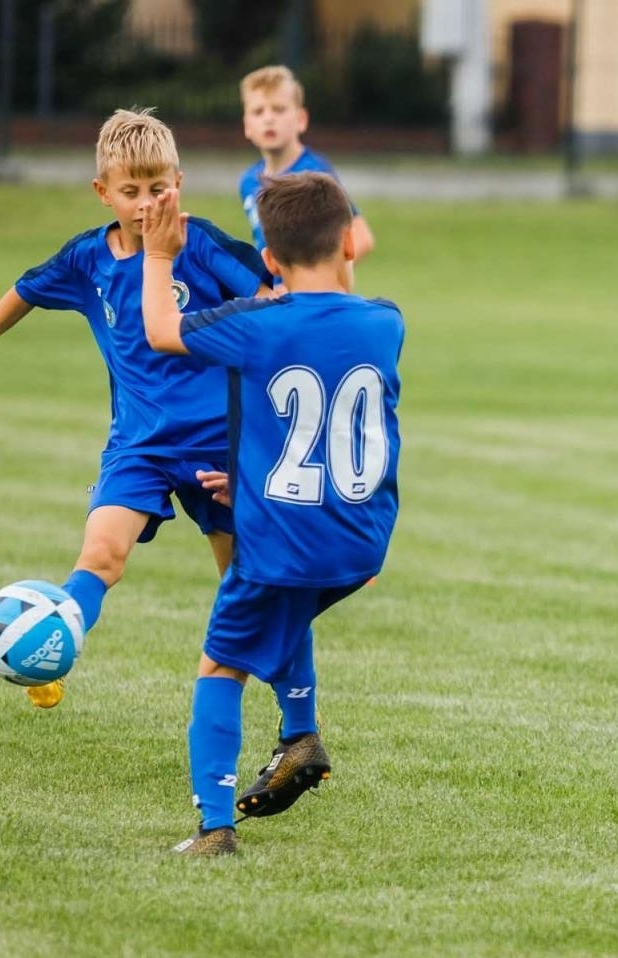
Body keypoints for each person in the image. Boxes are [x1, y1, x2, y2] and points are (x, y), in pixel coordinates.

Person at [0, 108, 272, 709]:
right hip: (140, 446)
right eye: (129, 191)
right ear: (102, 192)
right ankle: (51, 644)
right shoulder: (89, 260)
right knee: (101, 556)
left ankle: (286, 711)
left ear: (178, 183)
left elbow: (270, 300)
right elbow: (23, 290)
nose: (144, 203)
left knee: (241, 589)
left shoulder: (203, 244)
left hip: (221, 448)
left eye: (157, 189)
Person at [139, 172, 403, 856]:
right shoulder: (385, 322)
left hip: (285, 542)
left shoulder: (255, 324)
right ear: (350, 241)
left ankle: (214, 829)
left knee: (220, 667)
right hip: (361, 544)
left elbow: (161, 331)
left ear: (270, 261)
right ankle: (301, 736)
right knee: (287, 608)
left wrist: (161, 254)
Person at [238, 65, 374, 263]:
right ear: (247, 126)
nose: (268, 119)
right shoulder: (248, 182)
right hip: (273, 293)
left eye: (279, 109)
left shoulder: (314, 175)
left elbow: (361, 239)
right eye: (258, 112)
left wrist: (319, 284)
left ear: (301, 119)